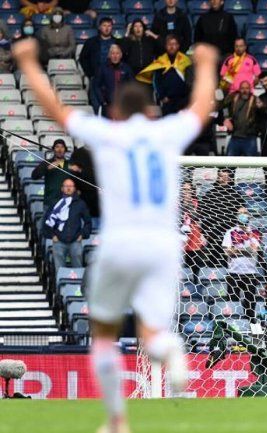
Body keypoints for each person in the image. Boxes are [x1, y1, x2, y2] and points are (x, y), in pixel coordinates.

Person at [12, 38, 218, 432]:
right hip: (162, 245)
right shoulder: (167, 133)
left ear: (117, 112)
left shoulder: (107, 133)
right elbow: (201, 107)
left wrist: (27, 62)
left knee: (104, 334)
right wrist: (206, 64)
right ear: (152, 111)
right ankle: (168, 348)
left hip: (121, 242)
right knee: (153, 331)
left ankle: (117, 420)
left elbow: (54, 108)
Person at [223, 207, 265, 323]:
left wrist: (236, 250)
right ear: (237, 216)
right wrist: (245, 251)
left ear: (249, 216)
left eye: (245, 213)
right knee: (232, 305)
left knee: (250, 305)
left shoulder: (255, 233)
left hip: (250, 274)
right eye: (240, 213)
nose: (243, 215)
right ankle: (233, 328)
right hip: (234, 273)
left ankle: (251, 328)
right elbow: (227, 251)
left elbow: (255, 249)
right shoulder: (230, 232)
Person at [198, 168, 245, 265]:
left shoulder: (236, 195)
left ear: (230, 178)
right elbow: (201, 213)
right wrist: (205, 231)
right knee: (213, 262)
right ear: (218, 177)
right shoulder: (210, 194)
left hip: (231, 233)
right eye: (222, 176)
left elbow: (242, 213)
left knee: (229, 260)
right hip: (213, 233)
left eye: (226, 176)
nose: (224, 178)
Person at [137, 35, 192, 116]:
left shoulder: (186, 60)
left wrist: (187, 99)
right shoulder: (160, 61)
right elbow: (156, 81)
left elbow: (190, 81)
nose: (172, 47)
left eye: (174, 44)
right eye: (169, 44)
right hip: (167, 101)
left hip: (183, 101)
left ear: (178, 46)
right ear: (166, 46)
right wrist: (162, 97)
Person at [43, 178, 91, 270]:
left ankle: (77, 285)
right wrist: (52, 235)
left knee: (78, 268)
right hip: (58, 241)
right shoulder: (55, 203)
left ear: (74, 188)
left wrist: (82, 235)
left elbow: (88, 222)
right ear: (62, 188)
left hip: (75, 240)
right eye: (66, 186)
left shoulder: (81, 204)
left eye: (71, 186)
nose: (68, 188)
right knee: (59, 270)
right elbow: (46, 221)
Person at [78, 17, 118, 113]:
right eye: (104, 25)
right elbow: (83, 58)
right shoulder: (91, 42)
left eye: (109, 26)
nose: (107, 28)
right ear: (100, 27)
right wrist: (90, 74)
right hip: (96, 77)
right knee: (96, 106)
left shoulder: (117, 42)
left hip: (113, 78)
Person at [221, 81, 261, 156]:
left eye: (247, 88)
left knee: (251, 165)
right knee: (229, 165)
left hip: (250, 138)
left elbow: (264, 111)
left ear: (250, 89)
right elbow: (224, 107)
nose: (244, 91)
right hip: (235, 137)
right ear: (239, 89)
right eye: (242, 88)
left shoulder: (255, 99)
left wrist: (261, 107)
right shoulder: (233, 97)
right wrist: (226, 118)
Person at [93, 44, 133, 116]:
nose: (115, 56)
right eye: (113, 53)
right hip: (107, 105)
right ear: (109, 55)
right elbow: (96, 86)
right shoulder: (103, 68)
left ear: (121, 55)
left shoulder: (126, 69)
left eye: (117, 53)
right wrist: (102, 101)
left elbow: (132, 86)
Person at [31, 138, 71, 209]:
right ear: (53, 149)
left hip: (67, 204)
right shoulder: (47, 163)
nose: (59, 149)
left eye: (62, 147)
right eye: (57, 147)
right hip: (50, 203)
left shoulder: (70, 164)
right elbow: (34, 176)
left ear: (65, 150)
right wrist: (46, 168)